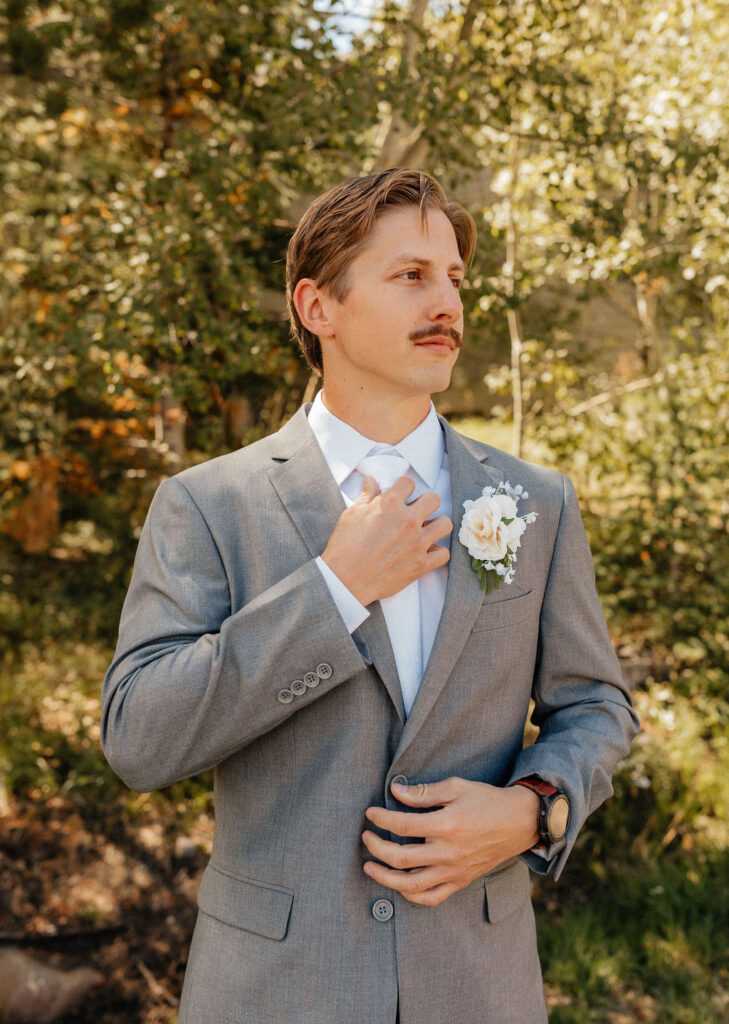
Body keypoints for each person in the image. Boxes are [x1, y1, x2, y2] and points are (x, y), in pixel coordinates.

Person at [102, 168, 638, 1024]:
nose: (447, 303)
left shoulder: (535, 501)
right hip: (274, 993)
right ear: (319, 309)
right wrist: (333, 589)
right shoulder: (208, 504)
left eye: (455, 279)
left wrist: (534, 809)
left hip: (478, 986)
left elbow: (595, 706)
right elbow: (139, 738)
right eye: (410, 276)